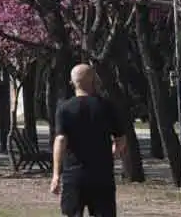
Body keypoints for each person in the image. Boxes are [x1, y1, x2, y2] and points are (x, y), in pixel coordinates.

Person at [50, 64, 125, 217]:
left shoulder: (64, 108)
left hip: (74, 175)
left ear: (72, 83)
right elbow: (121, 138)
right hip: (102, 175)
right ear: (94, 81)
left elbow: (61, 140)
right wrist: (114, 153)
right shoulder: (107, 107)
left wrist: (56, 175)